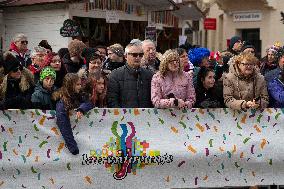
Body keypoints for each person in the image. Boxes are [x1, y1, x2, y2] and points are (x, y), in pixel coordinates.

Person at [53, 73, 93, 155]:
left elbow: (89, 103)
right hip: (70, 142)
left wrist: (81, 109)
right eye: (77, 84)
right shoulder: (61, 102)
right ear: (70, 85)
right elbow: (63, 123)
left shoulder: (81, 94)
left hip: (85, 136)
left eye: (80, 84)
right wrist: (72, 146)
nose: (80, 87)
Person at [107, 40, 153, 108]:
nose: (138, 57)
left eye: (140, 55)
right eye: (134, 55)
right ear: (125, 56)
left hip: (145, 116)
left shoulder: (149, 75)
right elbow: (112, 100)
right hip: (123, 117)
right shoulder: (115, 75)